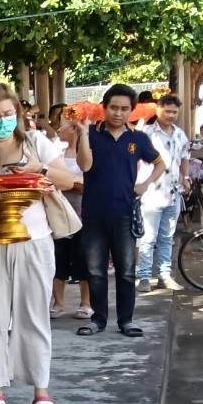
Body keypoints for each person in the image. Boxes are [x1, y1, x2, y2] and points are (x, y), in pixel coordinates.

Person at [0, 83, 77, 404]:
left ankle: (40, 389)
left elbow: (68, 181)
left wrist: (37, 170)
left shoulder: (34, 142)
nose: (2, 121)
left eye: (8, 114)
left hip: (35, 238)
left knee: (34, 313)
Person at [76, 83, 163, 338]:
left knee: (126, 271)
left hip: (125, 214)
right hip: (93, 214)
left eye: (124, 109)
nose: (118, 113)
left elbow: (159, 164)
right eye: (113, 107)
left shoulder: (137, 139)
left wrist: (145, 184)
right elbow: (84, 164)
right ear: (104, 108)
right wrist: (82, 135)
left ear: (131, 111)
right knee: (95, 271)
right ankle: (98, 319)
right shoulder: (90, 133)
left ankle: (126, 320)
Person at [137, 94, 191, 293]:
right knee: (148, 237)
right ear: (157, 109)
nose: (171, 115)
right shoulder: (146, 133)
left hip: (173, 192)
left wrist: (185, 177)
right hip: (150, 191)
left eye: (174, 112)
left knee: (167, 237)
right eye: (167, 111)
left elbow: (185, 157)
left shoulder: (180, 134)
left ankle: (164, 275)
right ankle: (143, 276)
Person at [50, 116, 92, 321]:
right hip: (58, 213)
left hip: (83, 214)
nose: (58, 130)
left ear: (74, 128)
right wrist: (70, 182)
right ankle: (58, 303)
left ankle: (86, 303)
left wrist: (66, 182)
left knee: (83, 259)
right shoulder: (55, 152)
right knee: (58, 260)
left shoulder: (87, 153)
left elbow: (88, 184)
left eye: (63, 127)